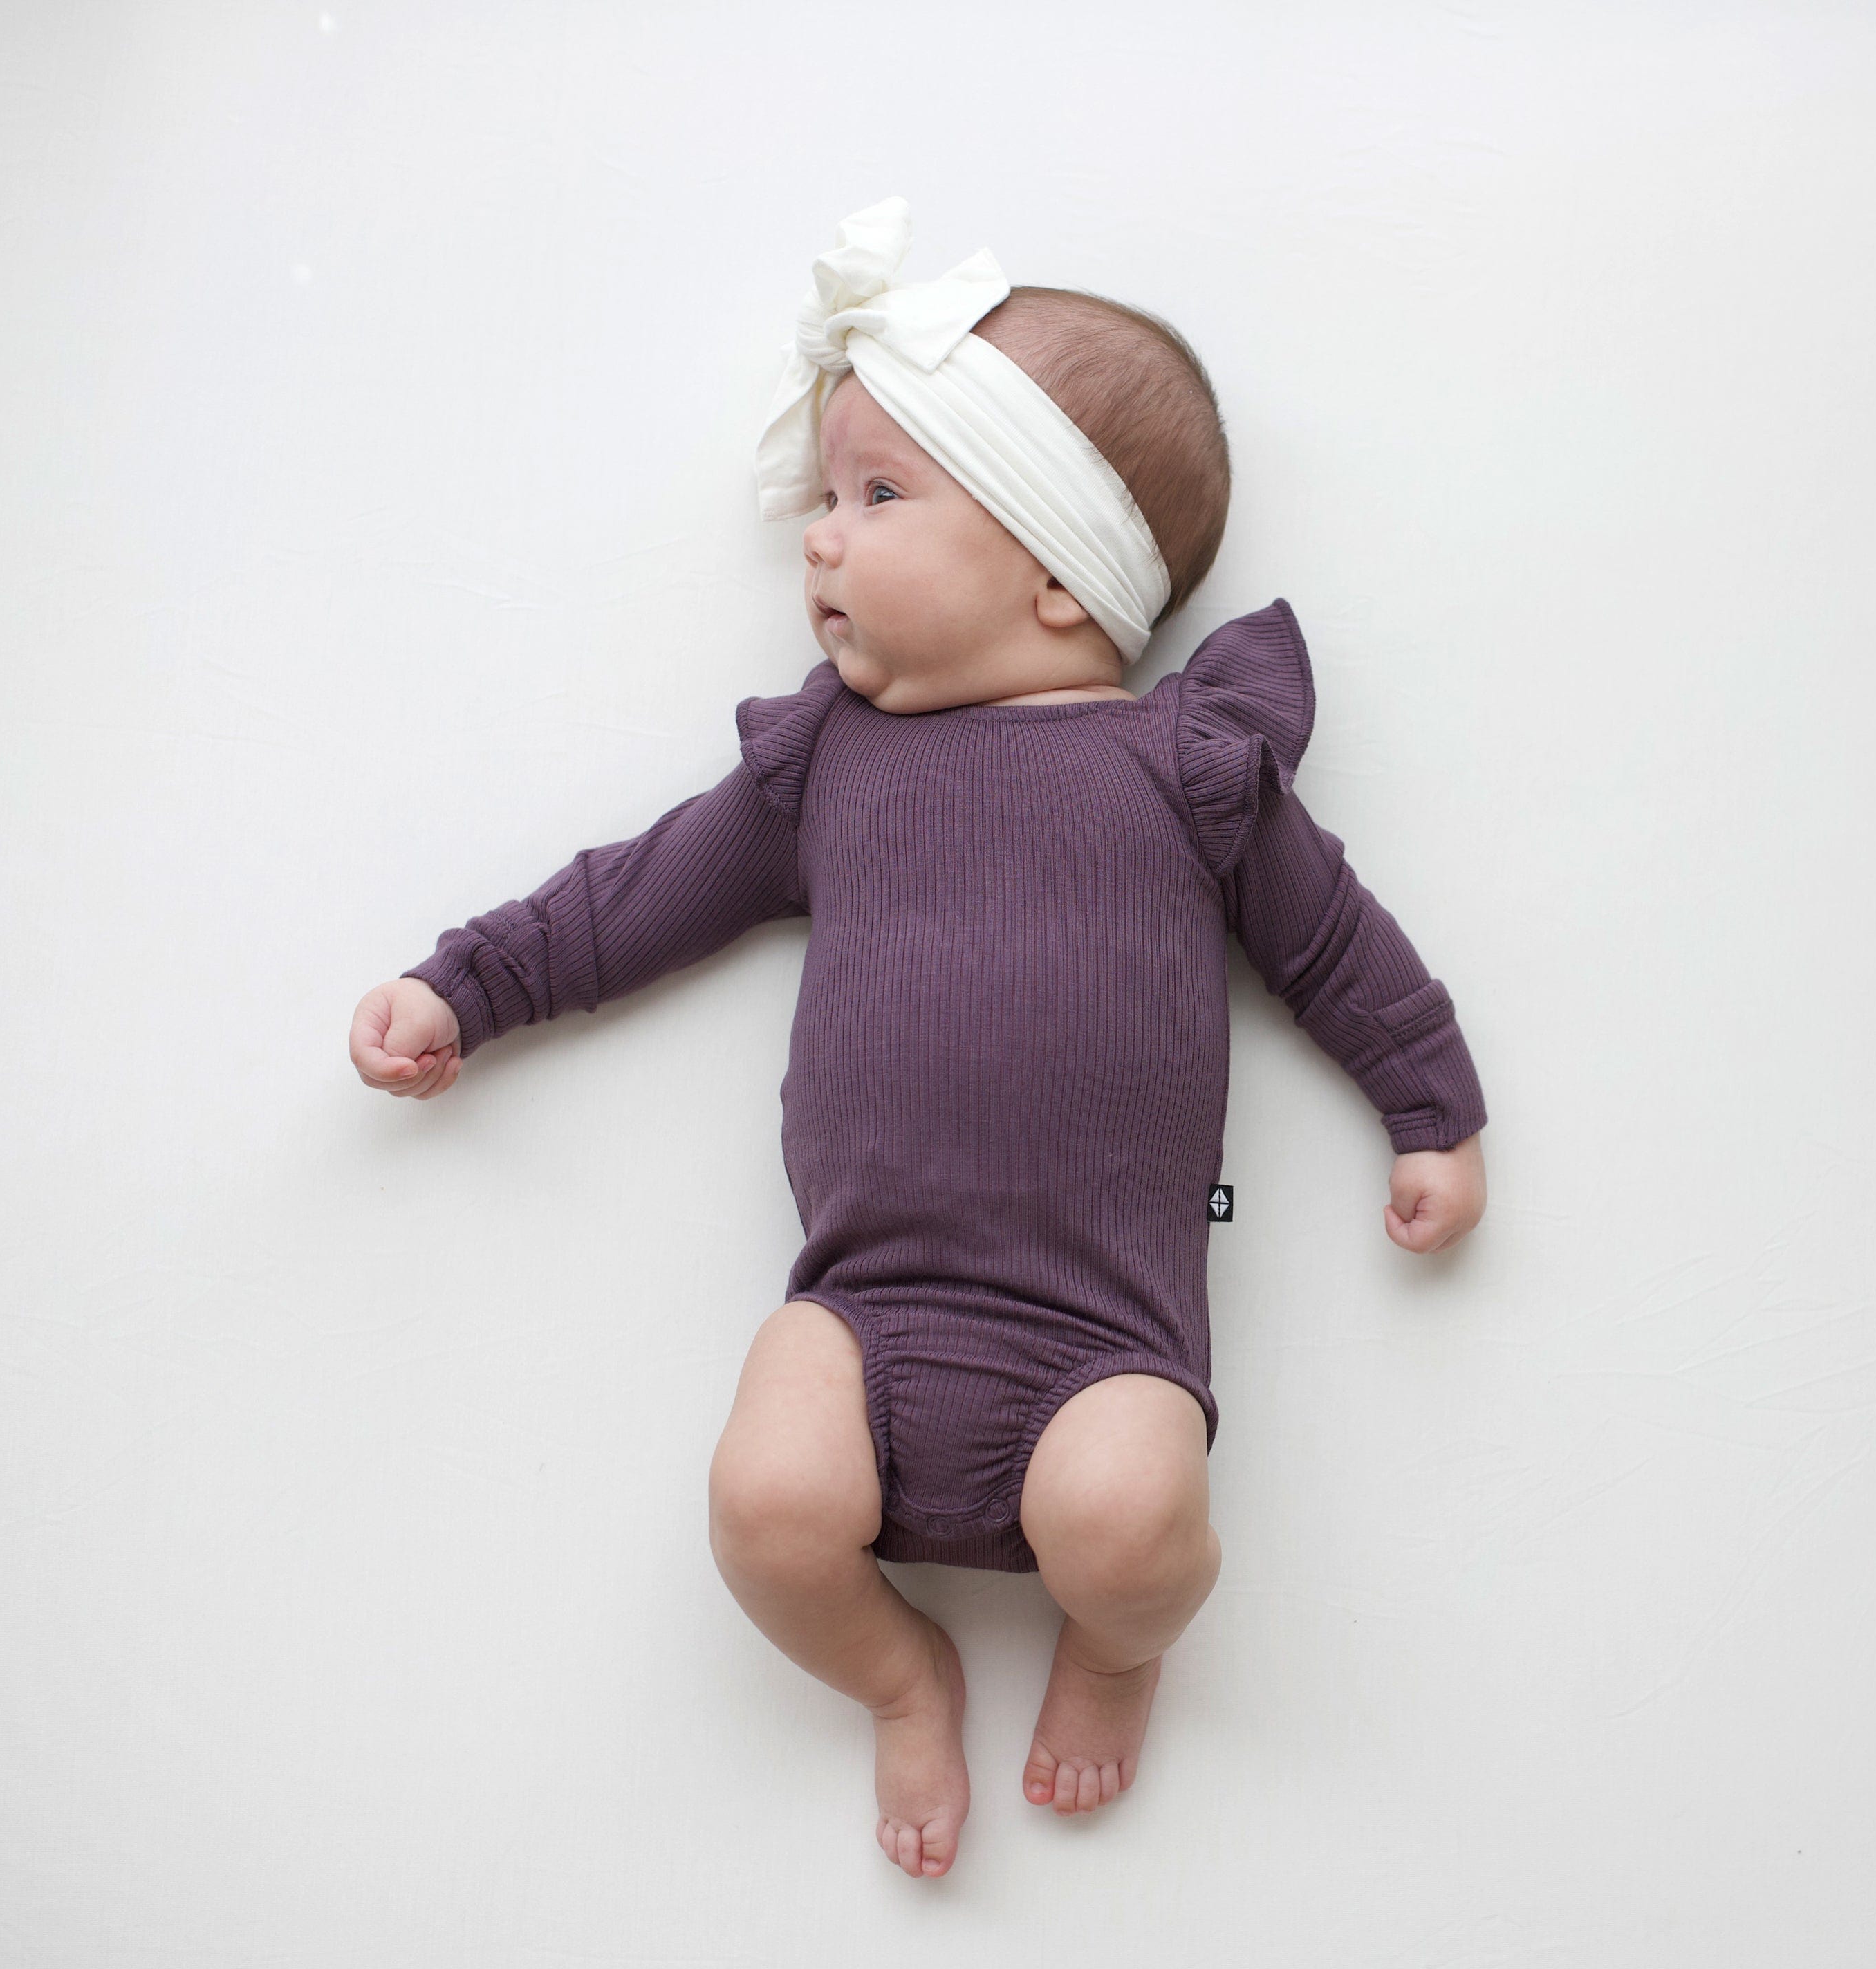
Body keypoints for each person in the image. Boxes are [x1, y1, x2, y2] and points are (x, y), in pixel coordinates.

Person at [349, 198, 1489, 1881]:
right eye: (825, 498)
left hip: (1103, 1342)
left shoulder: (1186, 775)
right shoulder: (830, 768)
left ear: (1056, 572)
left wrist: (1432, 1113)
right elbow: (633, 899)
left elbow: (1336, 948)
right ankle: (901, 1677)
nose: (819, 541)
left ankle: (1116, 1655)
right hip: (861, 1316)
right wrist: (468, 986)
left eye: (878, 496)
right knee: (762, 1510)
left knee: (1133, 1531)